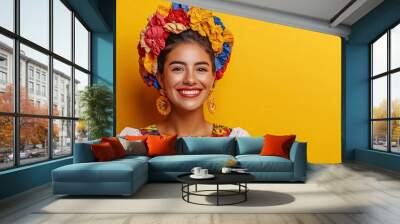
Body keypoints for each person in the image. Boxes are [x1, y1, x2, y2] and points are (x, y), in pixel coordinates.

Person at [120, 2, 249, 138]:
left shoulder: (237, 140)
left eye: (200, 69)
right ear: (160, 78)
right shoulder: (133, 141)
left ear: (213, 77)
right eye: (177, 69)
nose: (190, 79)